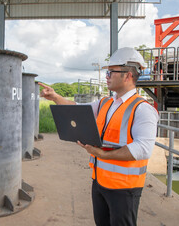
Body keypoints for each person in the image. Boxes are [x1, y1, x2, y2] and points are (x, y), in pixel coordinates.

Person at [39, 47, 159, 226]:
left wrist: (103, 155)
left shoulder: (143, 109)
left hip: (124, 188)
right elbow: (77, 108)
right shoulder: (105, 102)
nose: (107, 76)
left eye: (111, 71)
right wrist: (55, 97)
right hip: (99, 181)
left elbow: (143, 149)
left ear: (128, 76)